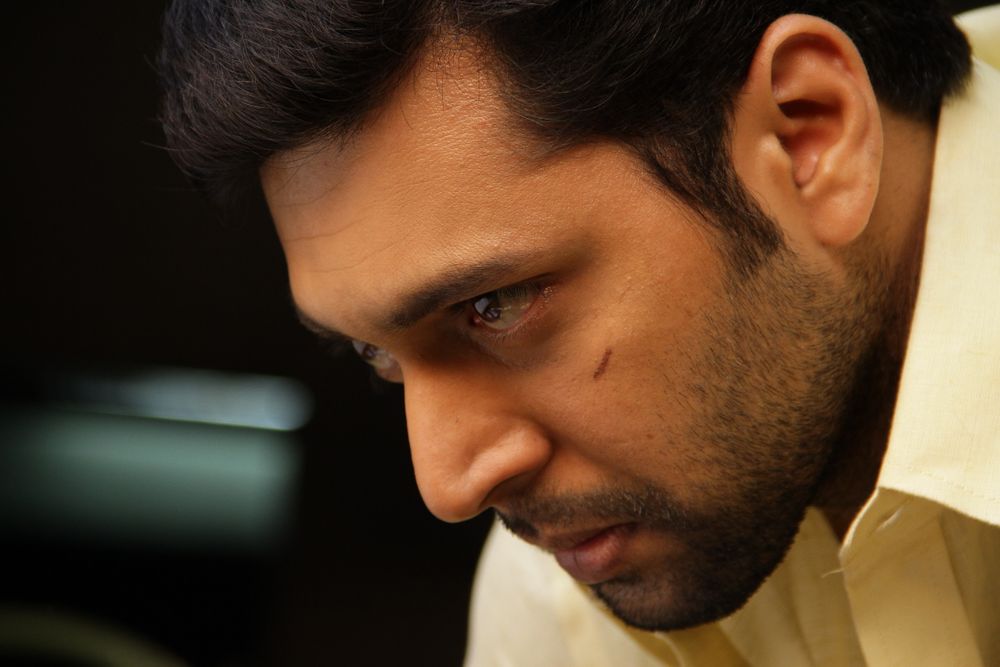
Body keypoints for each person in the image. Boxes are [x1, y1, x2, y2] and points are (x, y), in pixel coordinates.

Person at [158, 2, 1000, 664]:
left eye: (497, 304)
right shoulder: (562, 590)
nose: (448, 485)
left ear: (807, 132)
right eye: (375, 351)